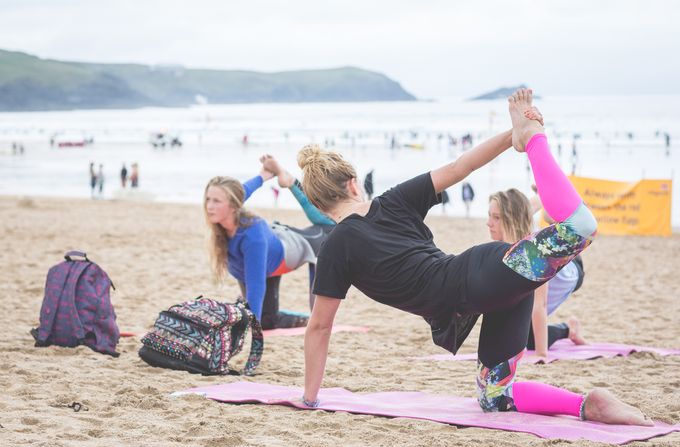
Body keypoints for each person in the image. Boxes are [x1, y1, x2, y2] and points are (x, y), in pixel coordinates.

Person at [299, 88, 652, 426]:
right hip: (490, 288)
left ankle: (535, 141)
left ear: (318, 203)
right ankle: (587, 404)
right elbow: (459, 167)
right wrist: (509, 136)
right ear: (353, 183)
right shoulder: (392, 201)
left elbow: (319, 326)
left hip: (480, 280)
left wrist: (310, 397)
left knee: (580, 227)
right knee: (494, 397)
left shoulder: (335, 247)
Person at [204, 156, 334, 330]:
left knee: (329, 228)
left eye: (216, 201)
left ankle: (291, 181)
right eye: (208, 199)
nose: (209, 206)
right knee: (267, 321)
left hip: (291, 247)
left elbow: (256, 286)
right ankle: (295, 318)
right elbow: (240, 191)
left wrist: (253, 332)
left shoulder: (252, 236)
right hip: (268, 253)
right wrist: (262, 176)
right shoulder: (223, 220)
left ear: (233, 205)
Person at [487, 188, 586, 358]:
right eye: (489, 215)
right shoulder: (517, 220)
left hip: (571, 270)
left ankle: (570, 329)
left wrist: (541, 355)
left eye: (496, 217)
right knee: (523, 336)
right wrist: (542, 192)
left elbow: (539, 305)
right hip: (551, 265)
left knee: (528, 335)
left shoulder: (532, 253)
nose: (488, 223)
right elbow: (532, 203)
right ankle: (569, 329)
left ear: (512, 219)